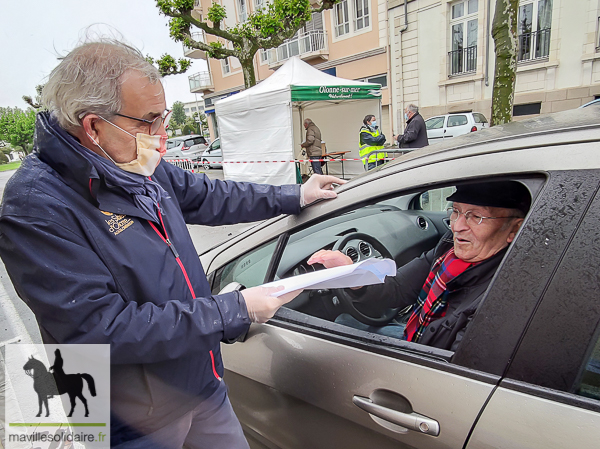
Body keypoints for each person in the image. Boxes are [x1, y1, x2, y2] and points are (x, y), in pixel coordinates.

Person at [0, 40, 345, 449]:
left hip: (200, 382)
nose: (161, 136)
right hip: (126, 418)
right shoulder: (35, 206)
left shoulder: (132, 162)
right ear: (92, 127)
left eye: (162, 117)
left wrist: (295, 196)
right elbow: (96, 329)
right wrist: (233, 310)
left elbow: (209, 195)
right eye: (148, 121)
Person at [307, 181, 530, 351]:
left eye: (476, 217)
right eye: (456, 211)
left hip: (424, 357)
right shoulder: (446, 251)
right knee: (343, 320)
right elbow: (398, 288)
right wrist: (352, 273)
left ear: (514, 229)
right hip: (416, 335)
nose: (457, 226)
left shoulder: (501, 292)